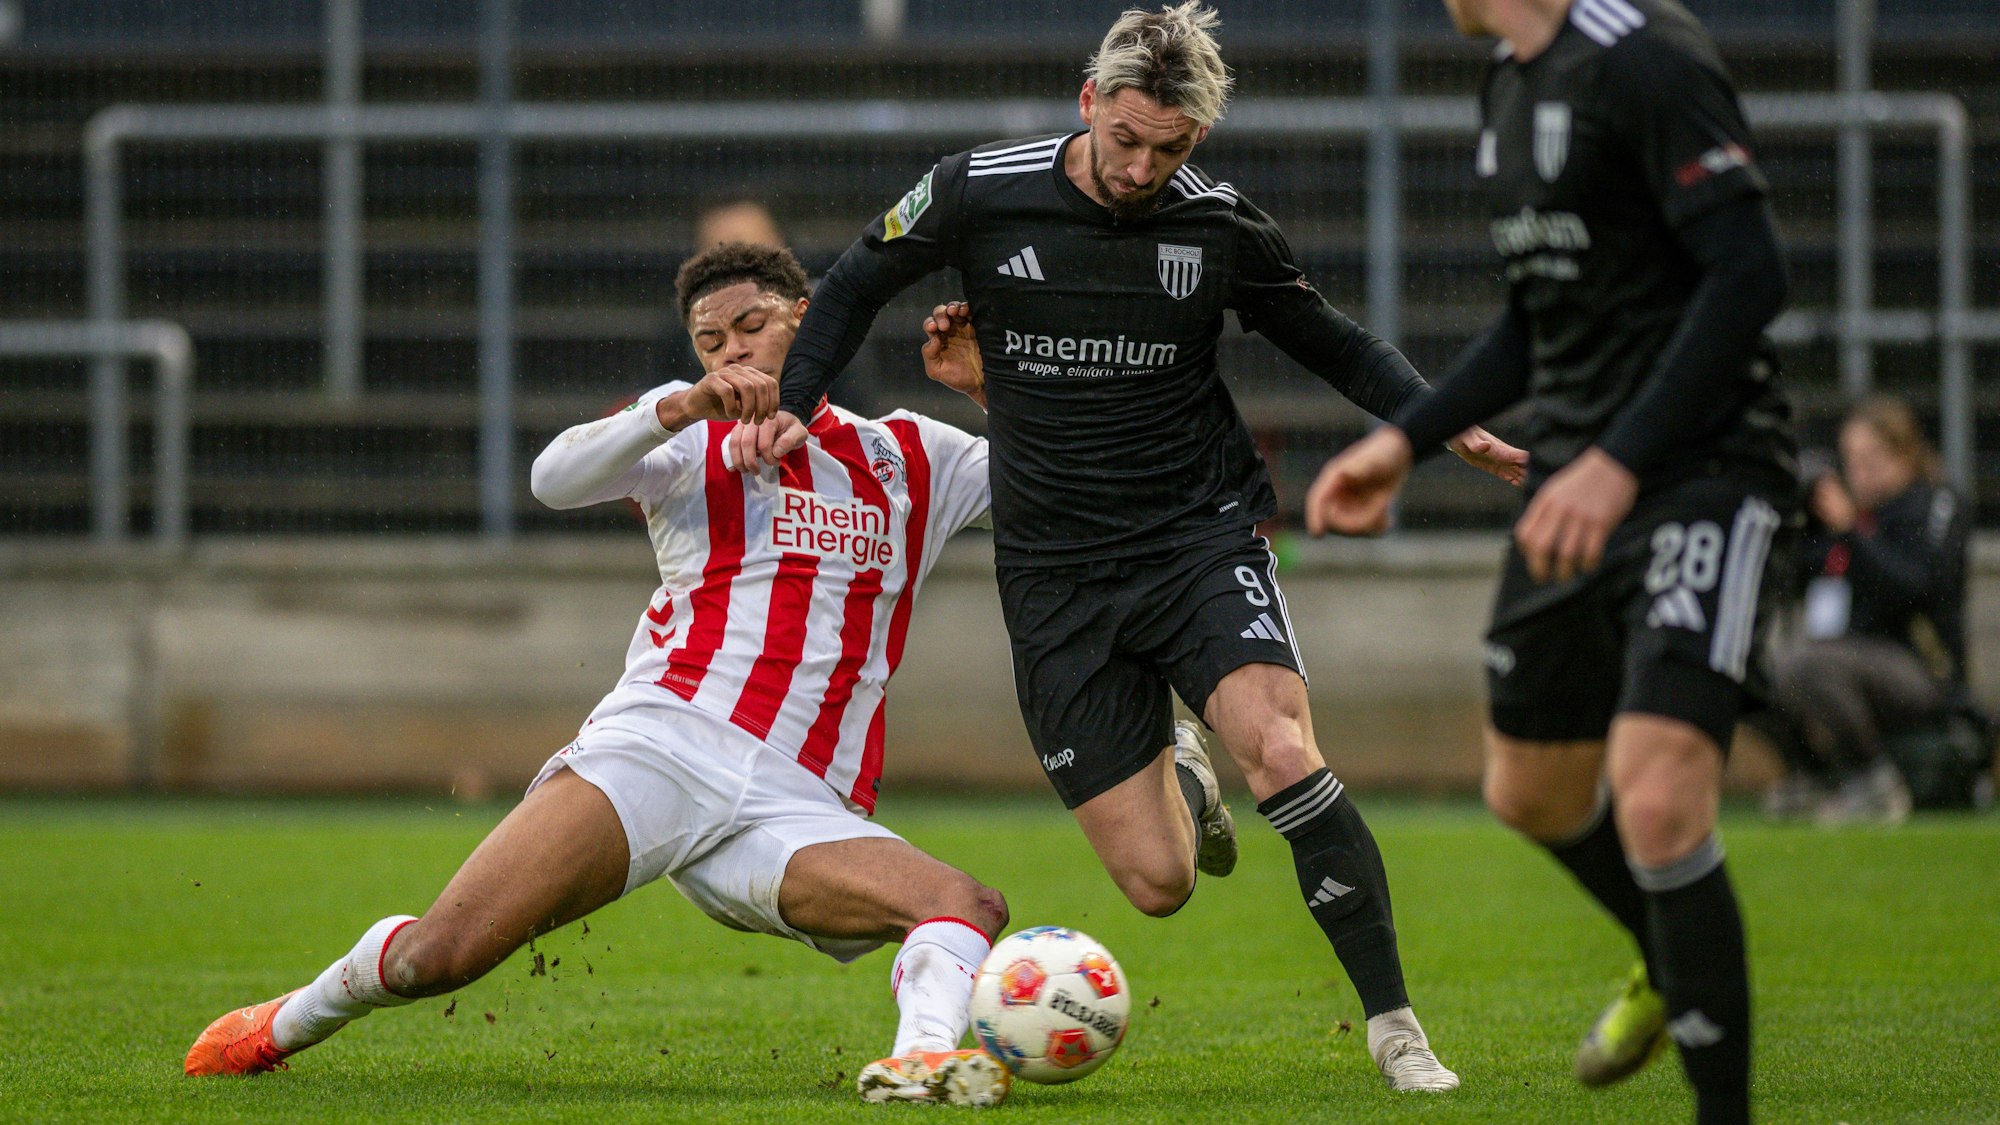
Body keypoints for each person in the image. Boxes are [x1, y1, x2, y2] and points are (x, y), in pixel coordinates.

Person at [733, 2, 1531, 1093]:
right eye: (1125, 140)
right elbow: (853, 282)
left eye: (1169, 148)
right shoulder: (976, 188)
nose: (1140, 167)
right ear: (1089, 103)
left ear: (1195, 138)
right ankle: (1181, 762)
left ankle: (1395, 1029)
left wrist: (1441, 425)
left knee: (1283, 749)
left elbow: (1330, 340)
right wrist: (795, 403)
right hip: (1055, 575)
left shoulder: (1218, 226)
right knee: (1156, 882)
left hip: (1191, 536)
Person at [183, 241, 1019, 1108]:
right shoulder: (689, 434)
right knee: (438, 957)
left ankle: (921, 1062)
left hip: (799, 802)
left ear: (806, 321)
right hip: (661, 748)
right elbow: (552, 479)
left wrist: (987, 390)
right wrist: (682, 405)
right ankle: (288, 1020)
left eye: (752, 326)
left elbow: (1065, 482)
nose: (732, 350)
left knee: (965, 901)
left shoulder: (914, 454)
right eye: (709, 340)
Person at [1306, 0, 1794, 1120]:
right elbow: (1534, 323)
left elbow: (1748, 274)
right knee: (1527, 791)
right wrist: (1399, 442)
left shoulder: (1650, 59)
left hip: (1698, 474)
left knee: (1659, 795)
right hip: (1578, 483)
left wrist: (1620, 462)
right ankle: (1672, 957)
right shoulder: (1508, 83)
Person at [1761, 396, 1970, 824]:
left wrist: (1850, 531)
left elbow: (1918, 589)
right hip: (1845, 660)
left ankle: (1873, 782)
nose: (1860, 471)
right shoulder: (1848, 516)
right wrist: (1795, 526)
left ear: (1906, 453)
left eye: (1872, 458)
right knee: (1757, 670)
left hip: (1919, 665)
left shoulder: (1931, 503)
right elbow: (1793, 581)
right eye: (1852, 459)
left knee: (1810, 663)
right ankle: (1816, 777)